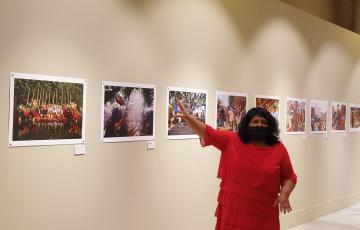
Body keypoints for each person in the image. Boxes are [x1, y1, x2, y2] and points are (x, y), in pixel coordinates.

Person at [176, 99, 297, 230]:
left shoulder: (278, 148)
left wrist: (285, 193)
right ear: (247, 124)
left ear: (270, 126)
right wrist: (188, 119)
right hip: (234, 210)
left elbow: (290, 177)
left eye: (263, 122)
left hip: (264, 212)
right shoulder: (232, 140)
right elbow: (209, 133)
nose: (259, 125)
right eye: (255, 122)